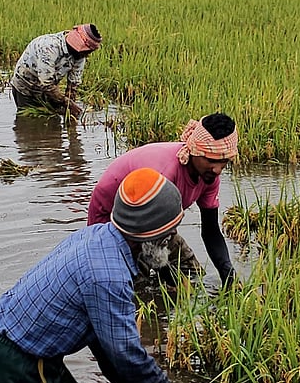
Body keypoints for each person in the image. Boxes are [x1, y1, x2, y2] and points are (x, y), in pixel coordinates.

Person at [0, 168, 193, 383]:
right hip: (15, 364)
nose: (171, 241)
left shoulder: (96, 237)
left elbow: (106, 345)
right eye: (170, 233)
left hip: (27, 346)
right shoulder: (108, 278)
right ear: (152, 237)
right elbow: (126, 353)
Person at [87, 113, 238, 288]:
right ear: (195, 151)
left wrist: (229, 275)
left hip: (156, 225)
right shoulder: (164, 174)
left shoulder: (209, 176)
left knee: (192, 274)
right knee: (133, 287)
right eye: (211, 160)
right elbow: (148, 242)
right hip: (115, 222)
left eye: (224, 161)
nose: (218, 169)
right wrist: (176, 283)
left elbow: (211, 231)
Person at [10, 24, 101, 119]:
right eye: (86, 52)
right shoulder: (49, 47)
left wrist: (69, 110)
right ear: (78, 46)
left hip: (49, 89)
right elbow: (47, 85)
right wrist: (67, 103)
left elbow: (73, 85)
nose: (87, 55)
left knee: (54, 121)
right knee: (29, 122)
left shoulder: (80, 56)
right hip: (26, 87)